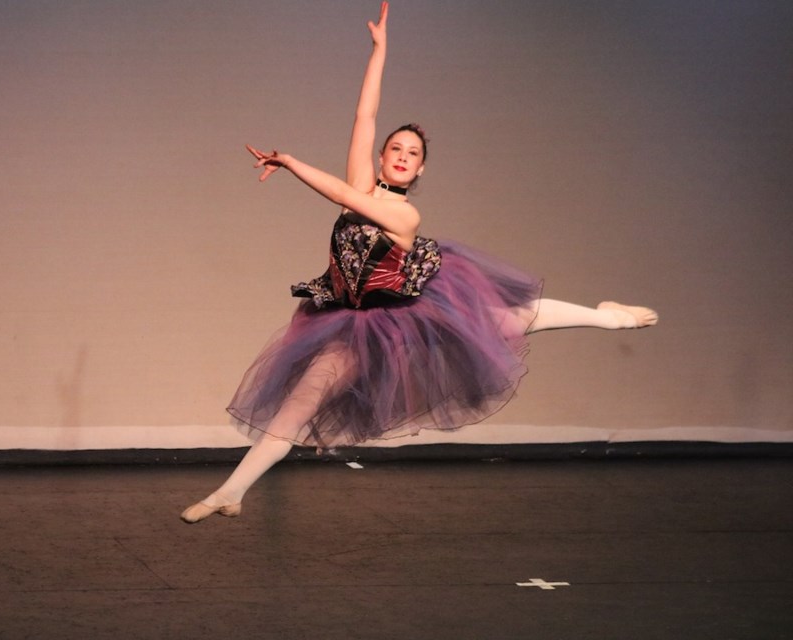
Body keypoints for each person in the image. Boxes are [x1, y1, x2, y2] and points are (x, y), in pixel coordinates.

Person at [180, 2, 657, 524]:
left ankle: (609, 316)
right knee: (300, 402)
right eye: (395, 148)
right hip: (347, 321)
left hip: (408, 317)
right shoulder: (361, 189)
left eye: (412, 152)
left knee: (513, 319)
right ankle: (232, 492)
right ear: (384, 158)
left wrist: (292, 162)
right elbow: (364, 117)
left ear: (420, 168)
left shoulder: (403, 215)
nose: (402, 154)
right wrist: (379, 52)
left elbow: (340, 191)